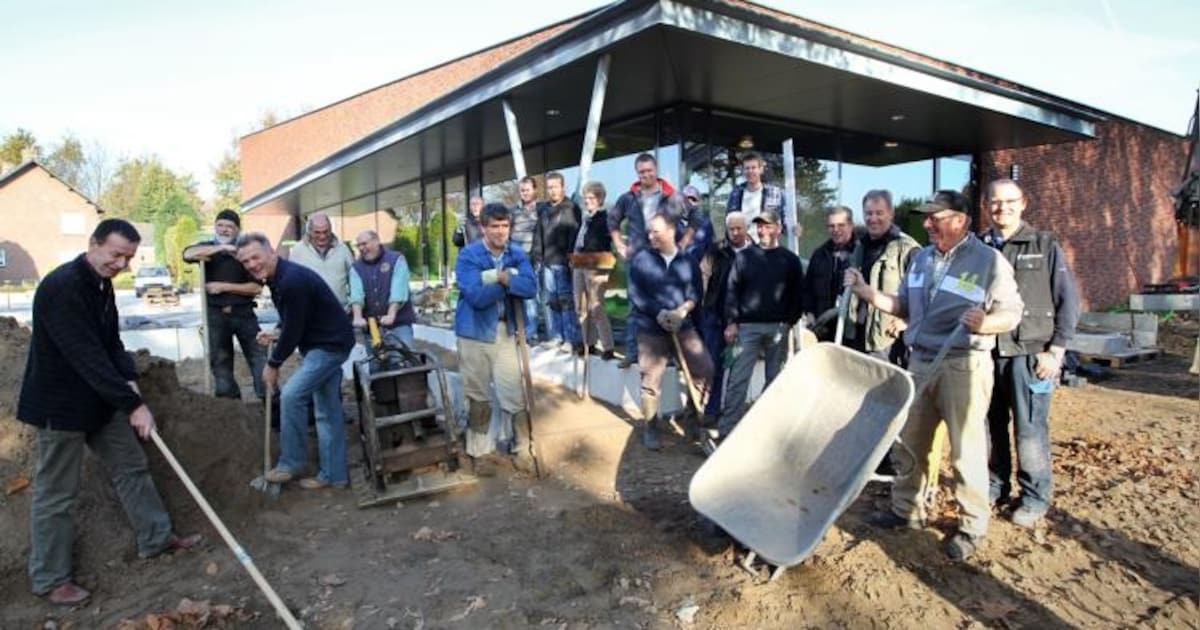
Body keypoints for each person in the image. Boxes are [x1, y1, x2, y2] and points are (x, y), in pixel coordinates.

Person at [18, 219, 202, 605]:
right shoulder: (62, 288)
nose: (121, 263)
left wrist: (129, 377)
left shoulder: (101, 287)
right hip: (60, 405)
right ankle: (51, 579)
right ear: (94, 245)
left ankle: (155, 538)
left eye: (128, 258)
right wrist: (133, 404)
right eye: (115, 254)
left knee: (132, 466)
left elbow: (110, 342)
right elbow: (84, 355)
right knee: (56, 494)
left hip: (98, 401)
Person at [845, 190, 1023, 561]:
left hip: (964, 366)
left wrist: (987, 323)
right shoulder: (922, 259)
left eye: (934, 218)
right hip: (921, 361)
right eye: (926, 218)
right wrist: (867, 293)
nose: (926, 224)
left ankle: (972, 525)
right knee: (911, 440)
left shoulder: (988, 260)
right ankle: (907, 509)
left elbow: (1013, 312)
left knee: (965, 448)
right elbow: (905, 307)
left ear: (959, 220)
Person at [981, 178, 1080, 528]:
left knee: (1029, 430)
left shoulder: (1044, 245)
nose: (1001, 208)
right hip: (987, 355)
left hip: (1030, 355)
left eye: (1009, 201)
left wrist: (1055, 352)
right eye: (995, 202)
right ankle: (995, 485)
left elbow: (1069, 303)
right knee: (990, 427)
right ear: (985, 205)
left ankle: (1035, 497)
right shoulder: (978, 249)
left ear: (1024, 203)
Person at [236, 233, 356, 490]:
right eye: (245, 262)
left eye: (256, 257)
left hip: (329, 346)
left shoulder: (290, 280)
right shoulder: (278, 278)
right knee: (327, 411)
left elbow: (294, 330)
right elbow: (294, 317)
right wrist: (276, 331)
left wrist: (273, 365)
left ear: (271, 252)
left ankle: (291, 463)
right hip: (325, 342)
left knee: (291, 396)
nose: (252, 264)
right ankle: (335, 476)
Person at [842, 190, 922, 479]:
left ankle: (890, 460)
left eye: (879, 213)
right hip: (860, 333)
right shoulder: (861, 245)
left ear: (891, 214)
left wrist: (908, 320)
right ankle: (869, 457)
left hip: (887, 339)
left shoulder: (908, 249)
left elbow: (922, 293)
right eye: (869, 214)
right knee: (864, 399)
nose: (873, 219)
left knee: (888, 399)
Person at [454, 203, 539, 472]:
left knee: (513, 391)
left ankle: (522, 448)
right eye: (495, 226)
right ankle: (479, 453)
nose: (501, 231)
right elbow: (476, 298)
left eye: (505, 226)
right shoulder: (468, 255)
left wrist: (501, 279)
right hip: (474, 333)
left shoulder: (516, 253)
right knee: (478, 394)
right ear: (483, 227)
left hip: (505, 330)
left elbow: (531, 287)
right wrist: (507, 282)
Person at [627, 212, 714, 450]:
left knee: (705, 368)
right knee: (651, 378)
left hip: (682, 325)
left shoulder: (687, 262)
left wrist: (683, 311)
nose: (650, 235)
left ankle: (693, 419)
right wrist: (658, 313)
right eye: (650, 231)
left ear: (670, 231)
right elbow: (635, 294)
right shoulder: (642, 260)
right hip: (650, 329)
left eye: (656, 231)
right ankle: (651, 426)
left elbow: (696, 293)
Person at [716, 210, 804, 443]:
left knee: (775, 381)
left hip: (778, 328)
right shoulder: (744, 257)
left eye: (767, 225)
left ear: (778, 228)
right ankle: (726, 432)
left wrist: (789, 321)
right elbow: (732, 291)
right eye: (759, 226)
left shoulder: (790, 260)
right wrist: (732, 322)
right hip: (747, 328)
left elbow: (798, 294)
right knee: (738, 380)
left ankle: (767, 432)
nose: (763, 230)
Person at [608, 153, 695, 367]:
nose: (646, 175)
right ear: (637, 174)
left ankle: (672, 356)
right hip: (637, 260)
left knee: (670, 304)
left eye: (649, 170)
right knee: (635, 305)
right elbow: (612, 220)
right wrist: (619, 244)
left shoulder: (672, 196)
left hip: (665, 260)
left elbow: (696, 218)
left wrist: (683, 243)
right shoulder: (629, 197)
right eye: (641, 172)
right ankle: (631, 353)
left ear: (656, 170)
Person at [182, 208, 268, 401]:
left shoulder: (246, 253)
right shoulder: (207, 249)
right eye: (220, 225)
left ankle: (272, 405)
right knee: (220, 363)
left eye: (229, 226)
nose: (223, 230)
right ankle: (231, 408)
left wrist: (223, 286)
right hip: (215, 316)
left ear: (237, 230)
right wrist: (220, 248)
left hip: (244, 314)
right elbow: (188, 254)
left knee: (259, 359)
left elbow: (256, 288)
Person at [697, 212, 752, 424]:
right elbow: (703, 275)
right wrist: (703, 302)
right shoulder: (717, 250)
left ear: (746, 228)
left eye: (739, 228)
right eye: (732, 229)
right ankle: (711, 410)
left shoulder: (754, 252)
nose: (735, 233)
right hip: (715, 317)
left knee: (737, 367)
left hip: (743, 321)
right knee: (713, 366)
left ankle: (732, 412)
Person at [533, 172, 582, 353]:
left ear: (563, 187)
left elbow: (574, 234)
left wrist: (570, 257)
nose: (552, 190)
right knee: (552, 301)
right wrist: (536, 255)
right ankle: (557, 336)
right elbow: (538, 234)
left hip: (563, 263)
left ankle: (570, 338)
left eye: (555, 186)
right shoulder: (544, 210)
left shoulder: (571, 208)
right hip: (546, 263)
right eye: (550, 187)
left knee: (566, 300)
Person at [350, 229, 415, 352]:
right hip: (373, 326)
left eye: (365, 244)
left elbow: (398, 289)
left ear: (376, 241)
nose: (362, 248)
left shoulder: (396, 259)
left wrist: (391, 314)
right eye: (359, 245)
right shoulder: (356, 268)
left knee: (404, 360)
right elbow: (356, 294)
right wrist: (357, 317)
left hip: (399, 323)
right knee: (376, 363)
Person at [572, 180, 615, 359]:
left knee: (596, 307)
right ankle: (587, 343)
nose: (587, 201)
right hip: (579, 263)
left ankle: (608, 346)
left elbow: (608, 246)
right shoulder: (585, 219)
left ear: (599, 199)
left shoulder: (605, 219)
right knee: (580, 307)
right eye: (585, 198)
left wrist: (604, 271)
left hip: (595, 265)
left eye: (591, 198)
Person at [803, 206, 857, 341]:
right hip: (822, 329)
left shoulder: (861, 253)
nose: (836, 230)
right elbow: (807, 288)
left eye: (841, 225)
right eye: (831, 226)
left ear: (851, 226)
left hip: (851, 331)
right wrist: (809, 313)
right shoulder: (819, 254)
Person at [287, 212, 354, 309]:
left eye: (325, 232)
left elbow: (355, 279)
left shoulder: (342, 249)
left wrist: (352, 306)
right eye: (317, 232)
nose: (322, 236)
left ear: (331, 230)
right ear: (309, 231)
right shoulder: (298, 251)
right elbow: (291, 283)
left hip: (340, 312)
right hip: (310, 315)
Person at [511, 177, 545, 343]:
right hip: (515, 259)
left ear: (535, 190)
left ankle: (532, 332)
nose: (524, 193)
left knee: (532, 297)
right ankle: (522, 329)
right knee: (518, 296)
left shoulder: (540, 209)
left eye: (527, 190)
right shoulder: (514, 210)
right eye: (522, 190)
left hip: (531, 258)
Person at [725, 151, 786, 241]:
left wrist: (794, 229)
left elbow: (784, 221)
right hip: (742, 246)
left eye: (753, 168)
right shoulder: (736, 192)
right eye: (747, 168)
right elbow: (729, 221)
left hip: (766, 245)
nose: (750, 171)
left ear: (761, 169)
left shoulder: (774, 192)